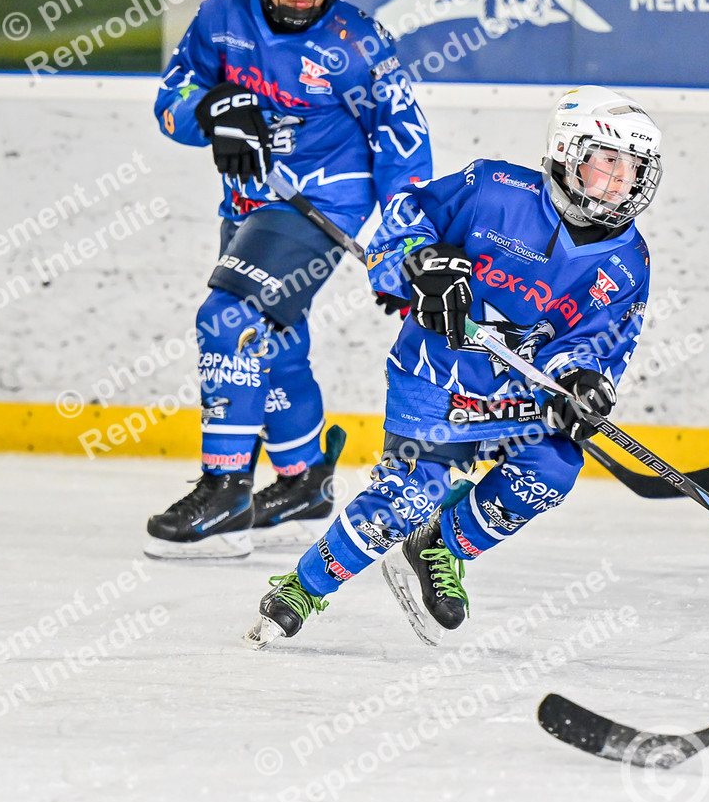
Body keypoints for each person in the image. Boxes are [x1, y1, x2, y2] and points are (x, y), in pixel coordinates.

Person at [244, 86, 663, 647]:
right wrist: (421, 263)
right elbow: (406, 218)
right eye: (607, 161)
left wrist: (580, 382)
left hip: (519, 396)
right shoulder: (493, 188)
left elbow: (595, 342)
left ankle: (437, 545)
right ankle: (303, 587)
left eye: (633, 169)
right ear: (568, 152)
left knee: (550, 469)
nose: (620, 180)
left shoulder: (629, 260)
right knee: (406, 497)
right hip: (434, 376)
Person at [145, 0, 432, 560]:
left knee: (229, 319)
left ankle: (226, 491)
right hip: (249, 202)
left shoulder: (358, 42)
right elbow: (171, 101)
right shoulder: (222, 14)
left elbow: (404, 143)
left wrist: (405, 240)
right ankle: (304, 481)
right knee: (273, 340)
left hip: (324, 201)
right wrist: (213, 110)